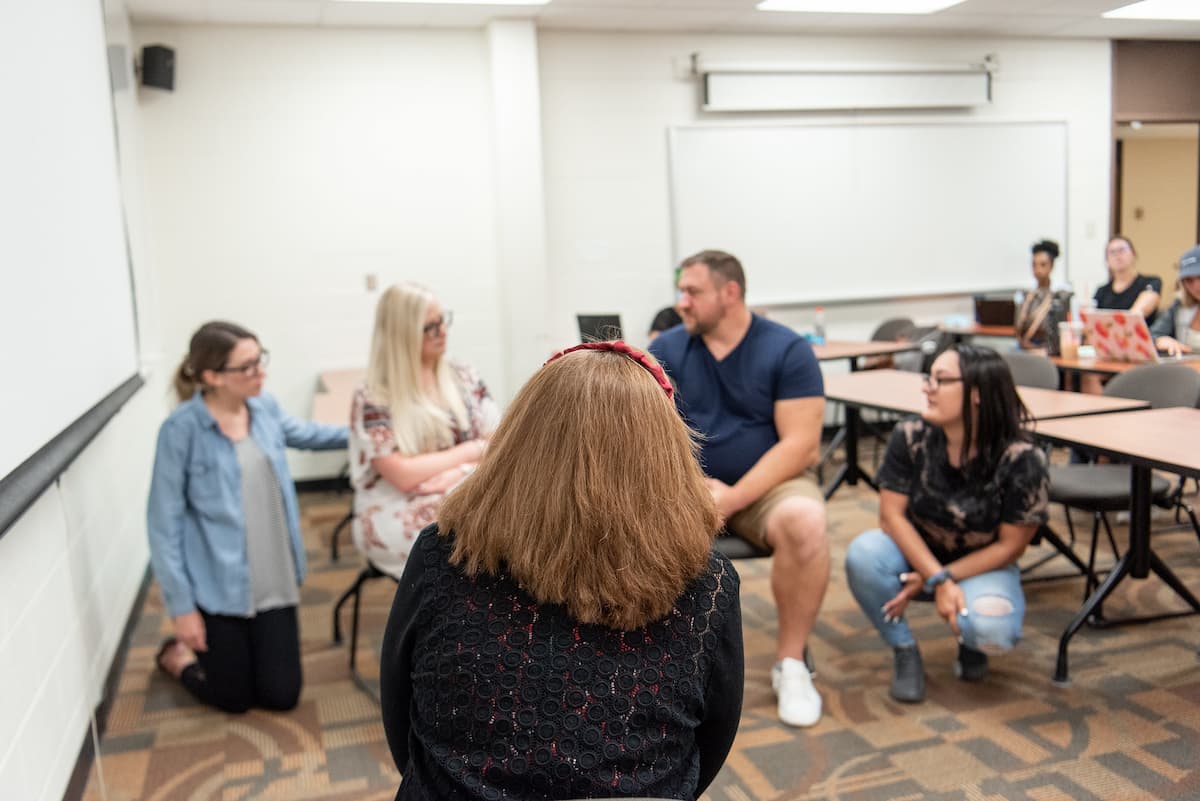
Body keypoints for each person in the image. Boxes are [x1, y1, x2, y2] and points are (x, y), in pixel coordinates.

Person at [380, 341, 743, 801]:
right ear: (666, 455)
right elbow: (710, 744)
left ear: (518, 439)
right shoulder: (707, 583)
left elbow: (400, 718)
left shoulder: (443, 556)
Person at [648, 249, 828, 728]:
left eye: (692, 291)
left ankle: (791, 665)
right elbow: (642, 432)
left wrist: (734, 496)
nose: (681, 302)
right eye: (681, 291)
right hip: (686, 487)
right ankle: (656, 667)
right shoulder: (667, 347)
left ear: (730, 293)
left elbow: (801, 446)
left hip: (767, 487)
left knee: (806, 521)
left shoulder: (787, 350)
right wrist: (688, 486)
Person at [148, 321, 349, 712]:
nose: (261, 372)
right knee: (233, 699)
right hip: (217, 590)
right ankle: (177, 657)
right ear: (211, 376)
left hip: (274, 580)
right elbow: (163, 527)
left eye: (260, 360)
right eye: (248, 366)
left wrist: (373, 430)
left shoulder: (265, 408)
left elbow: (310, 435)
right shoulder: (180, 431)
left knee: (281, 696)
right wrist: (182, 609)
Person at [844, 345, 1049, 704]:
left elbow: (1010, 546)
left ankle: (970, 640)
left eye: (941, 380)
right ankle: (904, 649)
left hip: (983, 563)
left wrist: (941, 577)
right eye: (929, 378)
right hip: (915, 553)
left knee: (992, 630)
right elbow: (891, 517)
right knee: (863, 554)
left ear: (977, 394)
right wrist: (937, 577)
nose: (928, 387)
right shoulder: (910, 436)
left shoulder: (1023, 459)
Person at [349, 283, 500, 580]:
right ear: (401, 334)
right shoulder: (375, 394)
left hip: (463, 485)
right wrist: (470, 452)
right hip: (396, 504)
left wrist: (457, 470)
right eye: (430, 327)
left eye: (443, 320)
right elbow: (402, 476)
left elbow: (497, 440)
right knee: (450, 547)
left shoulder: (462, 374)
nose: (442, 331)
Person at [1014, 239, 1072, 351]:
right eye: (1034, 265)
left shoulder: (1061, 294)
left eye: (1043, 265)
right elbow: (1018, 325)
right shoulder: (1026, 294)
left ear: (1052, 265)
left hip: (1049, 348)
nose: (1038, 270)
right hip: (1025, 346)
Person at [1094, 235, 1161, 325]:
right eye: (1112, 252)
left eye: (1122, 250)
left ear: (1134, 254)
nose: (1117, 255)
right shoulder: (1101, 291)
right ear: (1107, 261)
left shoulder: (1151, 282)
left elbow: (1136, 315)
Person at [1150, 244, 1200, 357]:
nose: (1196, 286)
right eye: (1189, 280)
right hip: (1187, 370)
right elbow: (1152, 335)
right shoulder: (1178, 306)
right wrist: (1161, 340)